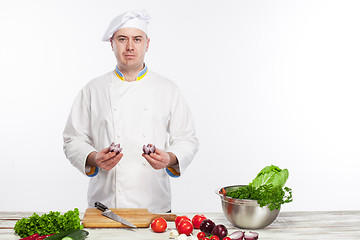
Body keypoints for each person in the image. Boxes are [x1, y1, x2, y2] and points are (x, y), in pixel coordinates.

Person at [63, 9, 199, 213]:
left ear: (147, 44)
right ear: (112, 43)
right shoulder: (93, 89)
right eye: (122, 39)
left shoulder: (168, 89)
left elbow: (187, 138)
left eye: (137, 39)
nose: (129, 47)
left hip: (155, 206)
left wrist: (170, 158)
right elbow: (72, 139)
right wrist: (93, 157)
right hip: (106, 206)